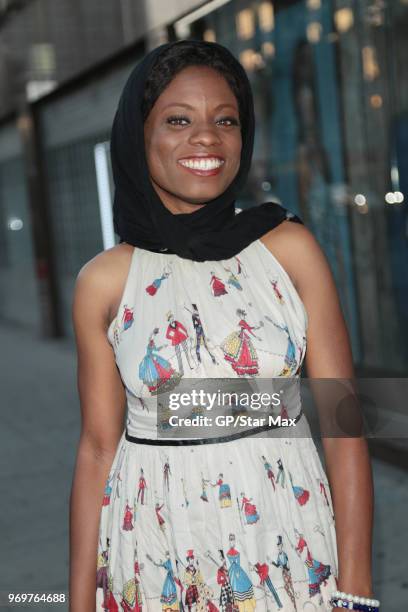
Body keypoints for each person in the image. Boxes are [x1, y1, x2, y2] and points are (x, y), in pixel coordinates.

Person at [69, 40, 375, 612]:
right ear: (138, 136)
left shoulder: (289, 249)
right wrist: (79, 600)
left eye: (225, 120)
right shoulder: (105, 282)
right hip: (156, 549)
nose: (206, 137)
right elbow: (96, 448)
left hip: (289, 540)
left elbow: (344, 422)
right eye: (178, 120)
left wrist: (356, 589)